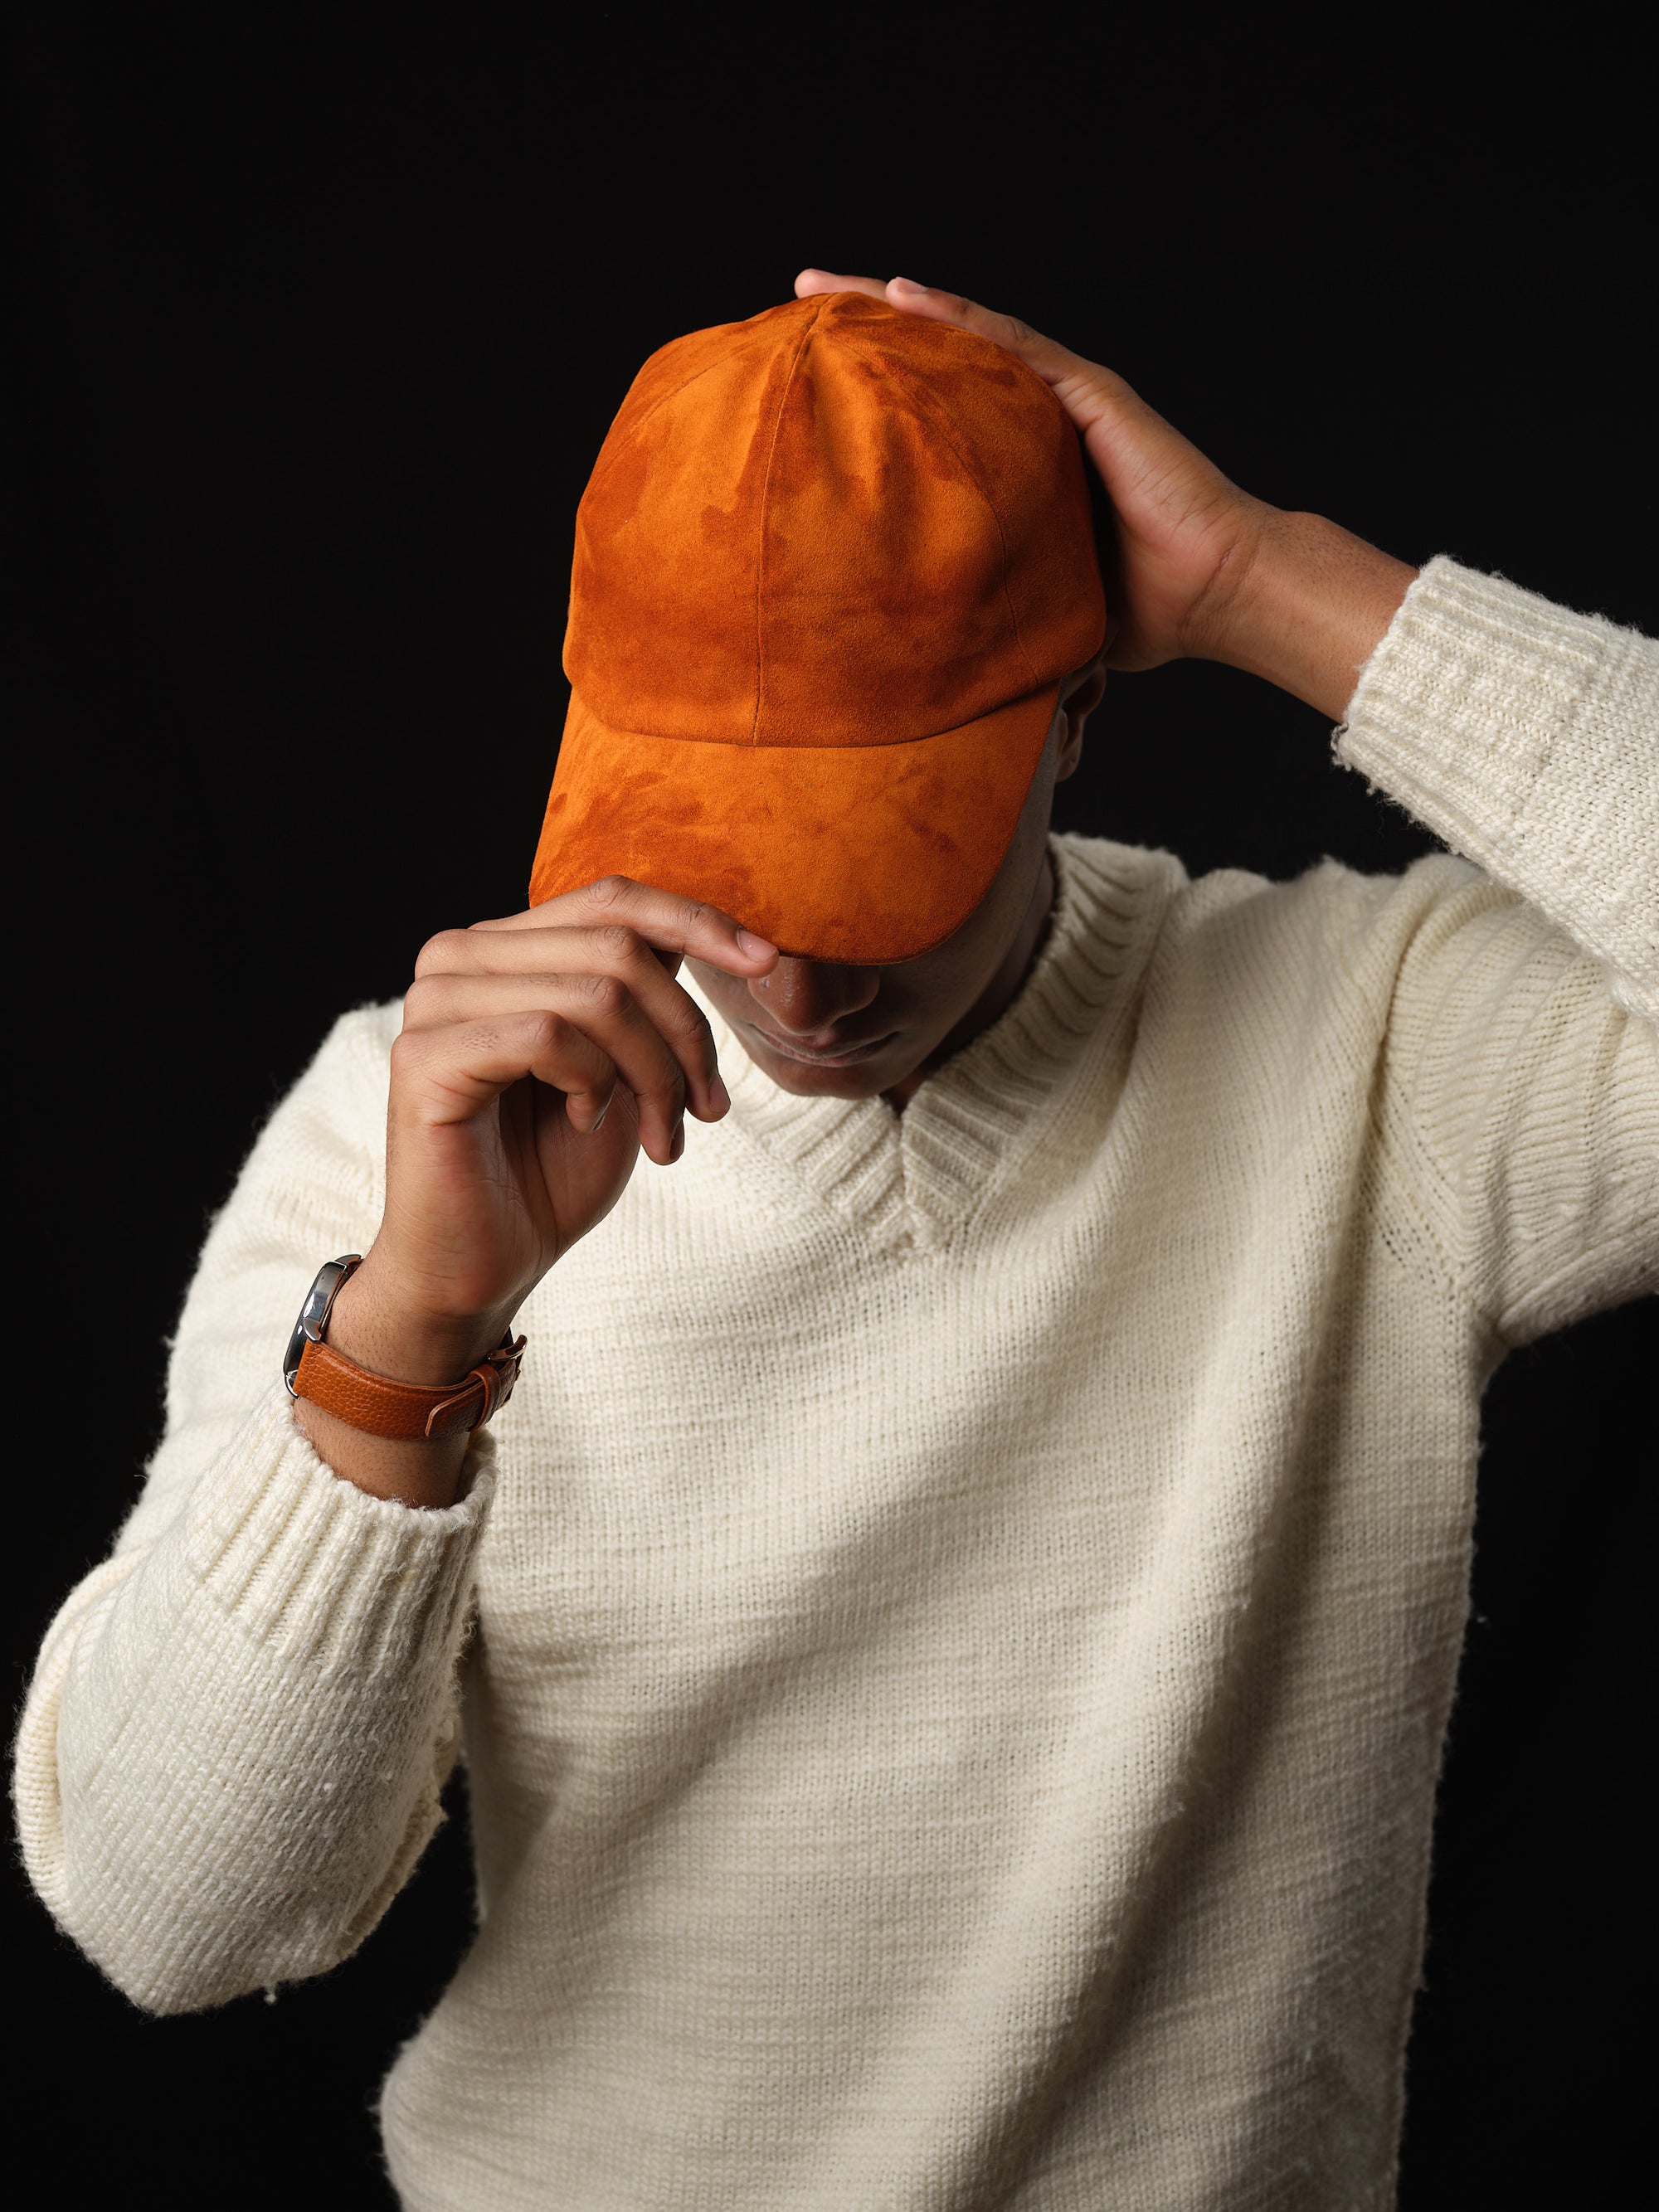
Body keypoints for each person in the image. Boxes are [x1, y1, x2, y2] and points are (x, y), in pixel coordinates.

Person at [14, 269, 1656, 2210]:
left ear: (1070, 720)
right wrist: (417, 1325)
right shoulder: (409, 1129)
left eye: (879, 850)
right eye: (712, 835)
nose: (786, 967)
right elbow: (172, 1913)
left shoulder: (1376, 1057)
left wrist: (1259, 580)